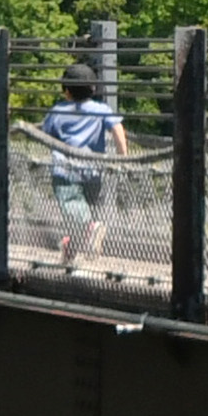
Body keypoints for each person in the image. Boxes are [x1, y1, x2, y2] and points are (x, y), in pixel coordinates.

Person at [38, 54, 127, 271]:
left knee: (73, 211)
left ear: (66, 90)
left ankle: (90, 230)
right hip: (93, 170)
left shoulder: (58, 111)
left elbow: (45, 134)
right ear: (93, 89)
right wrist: (123, 156)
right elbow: (117, 128)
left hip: (64, 172)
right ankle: (71, 249)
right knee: (82, 211)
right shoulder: (102, 110)